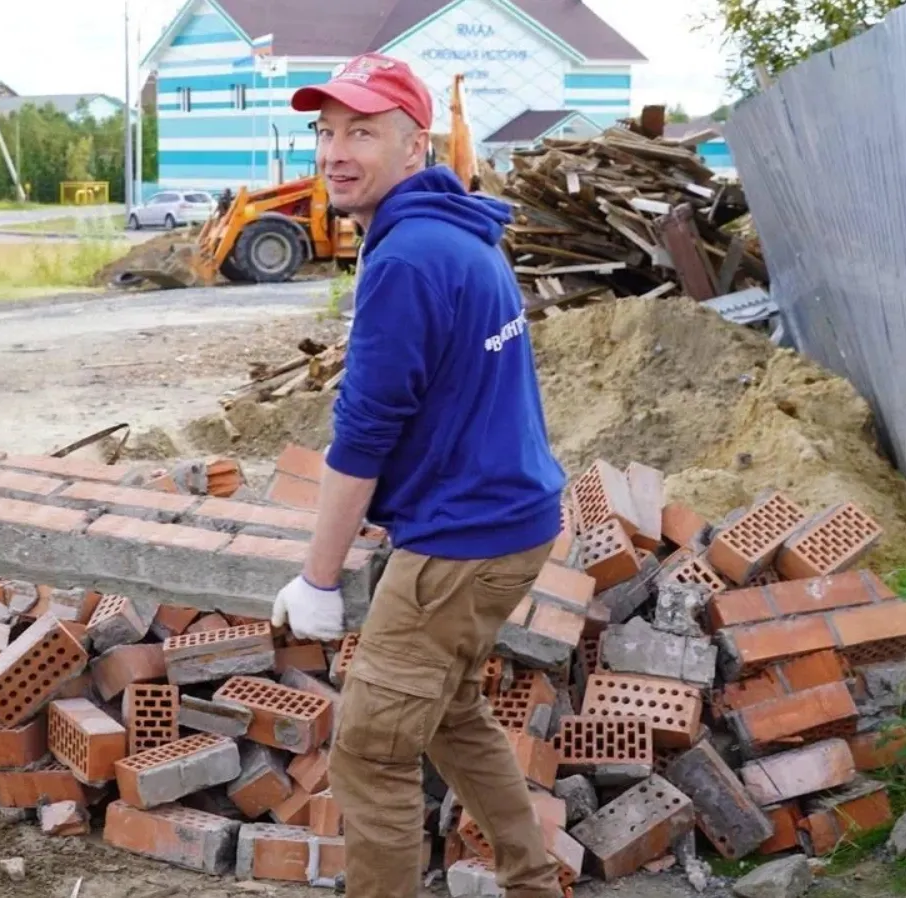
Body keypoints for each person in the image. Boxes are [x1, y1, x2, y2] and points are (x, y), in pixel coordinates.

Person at [269, 54, 569, 898]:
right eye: (326, 132)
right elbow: (448, 396)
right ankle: (532, 881)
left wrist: (317, 577)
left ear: (414, 146)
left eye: (362, 131)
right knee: (452, 716)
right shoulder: (455, 234)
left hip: (460, 543)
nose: (336, 151)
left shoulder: (404, 260)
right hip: (511, 519)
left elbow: (362, 434)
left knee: (371, 751)